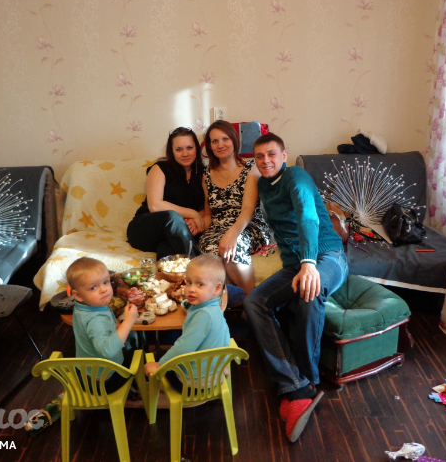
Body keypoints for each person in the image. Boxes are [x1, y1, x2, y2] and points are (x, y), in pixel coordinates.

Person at [244, 133, 348, 443]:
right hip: (294, 264)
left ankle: (308, 381)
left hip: (327, 256)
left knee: (309, 293)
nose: (266, 161)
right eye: (259, 156)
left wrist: (309, 263)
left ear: (284, 155)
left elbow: (307, 217)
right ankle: (294, 383)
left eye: (272, 154)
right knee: (254, 302)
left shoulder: (296, 177)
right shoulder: (263, 185)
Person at [198, 121, 270, 297]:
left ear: (234, 140)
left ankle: (251, 302)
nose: (220, 145)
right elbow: (208, 214)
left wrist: (232, 235)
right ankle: (228, 303)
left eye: (225, 139)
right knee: (212, 249)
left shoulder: (250, 169)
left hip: (248, 226)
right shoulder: (206, 175)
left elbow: (248, 210)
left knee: (232, 249)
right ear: (210, 147)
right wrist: (196, 224)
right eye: (215, 141)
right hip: (217, 228)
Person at [144, 254, 230, 390]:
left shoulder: (203, 315)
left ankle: (142, 391)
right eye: (189, 282)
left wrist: (160, 365)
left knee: (152, 358)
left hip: (192, 381)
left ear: (217, 288)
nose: (191, 289)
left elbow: (184, 347)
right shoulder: (216, 308)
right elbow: (224, 338)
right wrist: (222, 364)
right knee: (163, 354)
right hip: (214, 373)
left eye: (200, 284)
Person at [127, 127, 206, 259]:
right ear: (172, 151)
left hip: (174, 234)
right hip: (146, 229)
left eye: (189, 148)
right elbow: (155, 206)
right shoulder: (160, 168)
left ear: (196, 149)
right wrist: (193, 214)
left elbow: (205, 208)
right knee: (172, 217)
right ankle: (198, 263)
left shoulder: (203, 174)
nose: (185, 153)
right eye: (179, 149)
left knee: (168, 252)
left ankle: (172, 271)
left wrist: (193, 222)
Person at [68, 257, 139, 395]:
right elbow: (108, 350)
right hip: (103, 383)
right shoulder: (96, 320)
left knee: (129, 340)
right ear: (78, 295)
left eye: (106, 282)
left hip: (85, 371)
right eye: (93, 287)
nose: (104, 290)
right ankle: (134, 389)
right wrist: (128, 321)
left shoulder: (83, 305)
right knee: (138, 351)